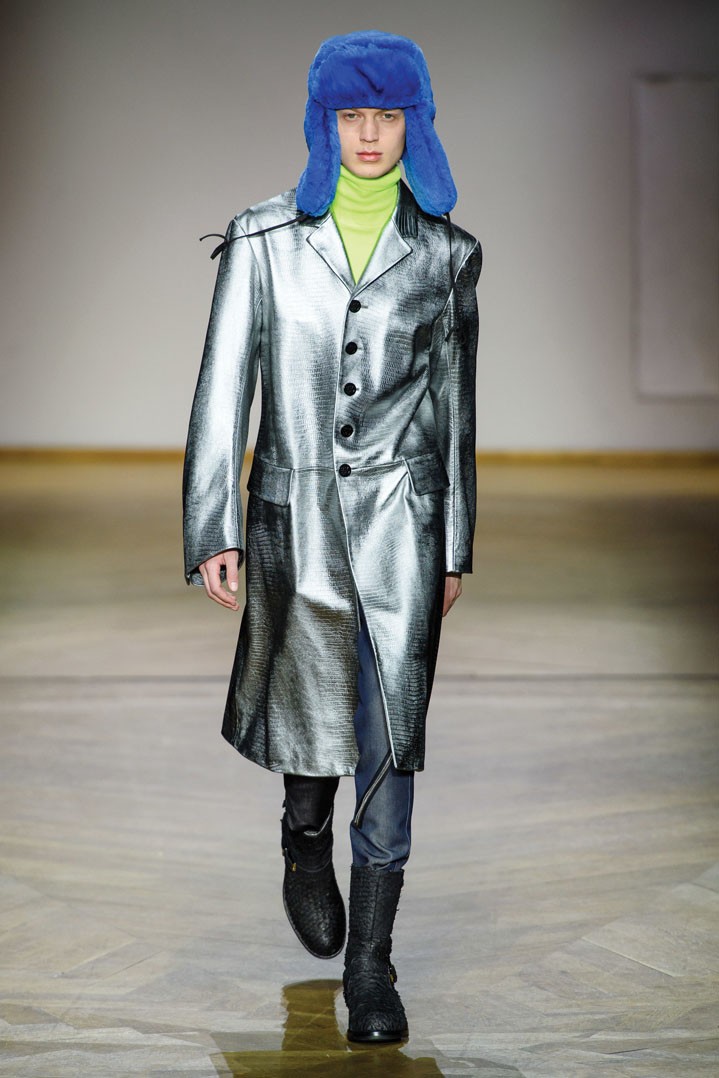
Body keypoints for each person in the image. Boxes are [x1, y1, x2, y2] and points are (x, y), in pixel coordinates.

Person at [183, 30, 482, 1044]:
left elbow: (453, 412)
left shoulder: (445, 255)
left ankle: (371, 967)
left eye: (386, 114)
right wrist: (212, 525)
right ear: (323, 122)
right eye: (350, 115)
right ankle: (303, 837)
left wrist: (453, 546)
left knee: (391, 735)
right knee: (313, 722)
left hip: (404, 526)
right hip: (293, 522)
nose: (367, 134)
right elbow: (223, 389)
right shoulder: (263, 240)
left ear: (413, 123)